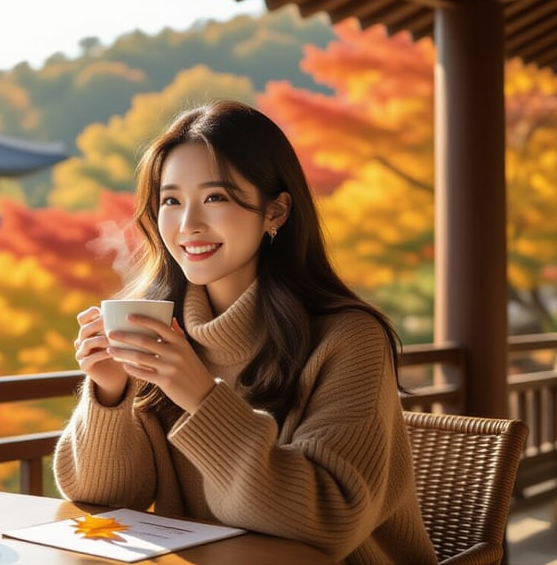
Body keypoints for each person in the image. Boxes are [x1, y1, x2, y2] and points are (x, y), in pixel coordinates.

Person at [53, 100, 437, 564]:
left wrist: (200, 395)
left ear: (275, 212)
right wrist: (110, 393)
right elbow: (105, 498)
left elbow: (327, 524)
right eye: (171, 201)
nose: (188, 224)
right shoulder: (160, 327)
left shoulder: (349, 338)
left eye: (215, 197)